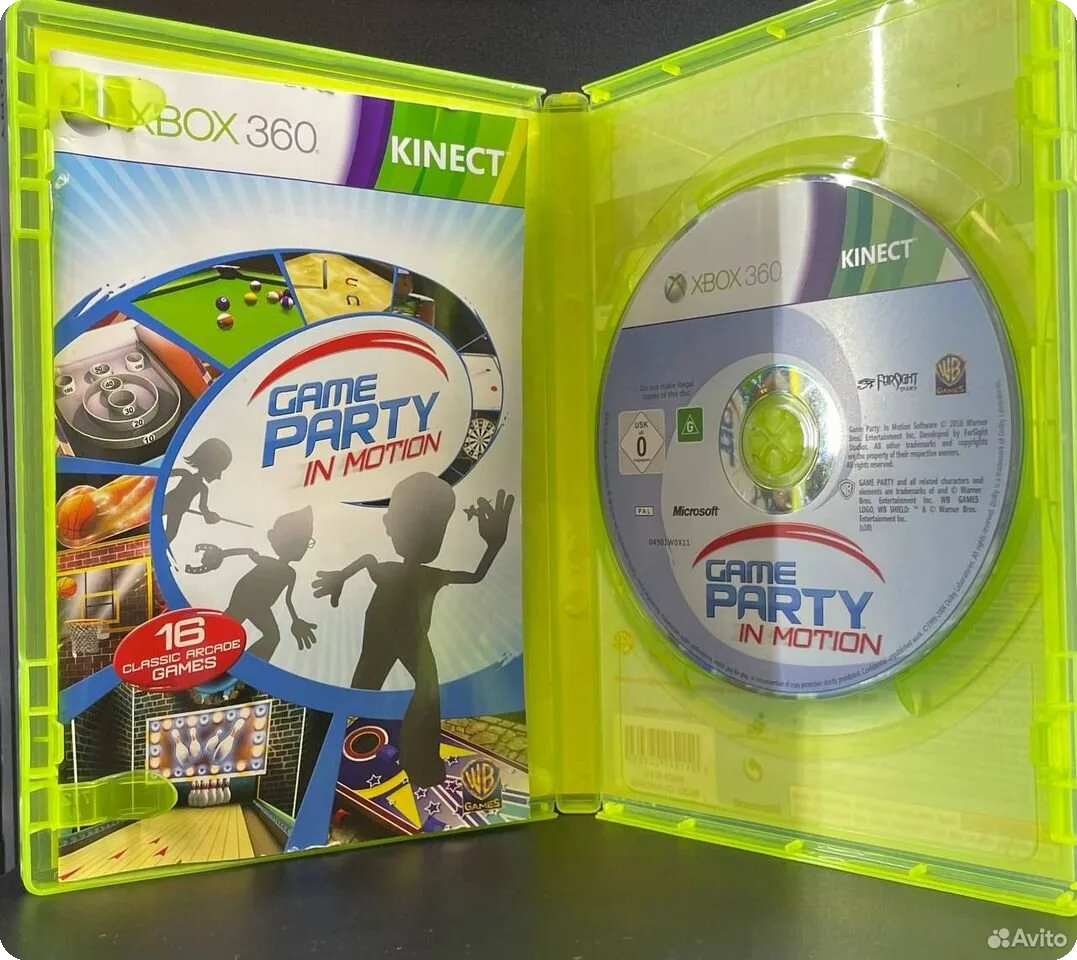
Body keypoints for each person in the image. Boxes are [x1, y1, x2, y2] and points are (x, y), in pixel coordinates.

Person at [313, 473, 514, 788]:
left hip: (409, 638)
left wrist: (494, 545)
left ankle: (418, 762)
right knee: (366, 689)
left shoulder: (429, 575)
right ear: (389, 524)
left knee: (424, 690)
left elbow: (475, 575)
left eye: (436, 528)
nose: (427, 537)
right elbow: (367, 560)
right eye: (416, 524)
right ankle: (333, 764)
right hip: (382, 636)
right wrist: (339, 577)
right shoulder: (396, 572)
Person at [189, 505, 318, 661]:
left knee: (267, 636)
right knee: (238, 632)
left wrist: (296, 620)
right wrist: (221, 554)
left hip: (258, 604)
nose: (303, 547)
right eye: (301, 541)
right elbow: (248, 552)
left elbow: (288, 600)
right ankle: (224, 660)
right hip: (246, 598)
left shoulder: (290, 574)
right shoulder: (269, 563)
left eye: (305, 542)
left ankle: (243, 665)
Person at [162, 438, 232, 544]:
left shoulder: (203, 488)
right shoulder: (186, 474)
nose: (219, 476)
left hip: (178, 511)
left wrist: (211, 516)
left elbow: (203, 508)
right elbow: (163, 476)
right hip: (168, 502)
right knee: (151, 518)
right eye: (218, 470)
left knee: (171, 534)